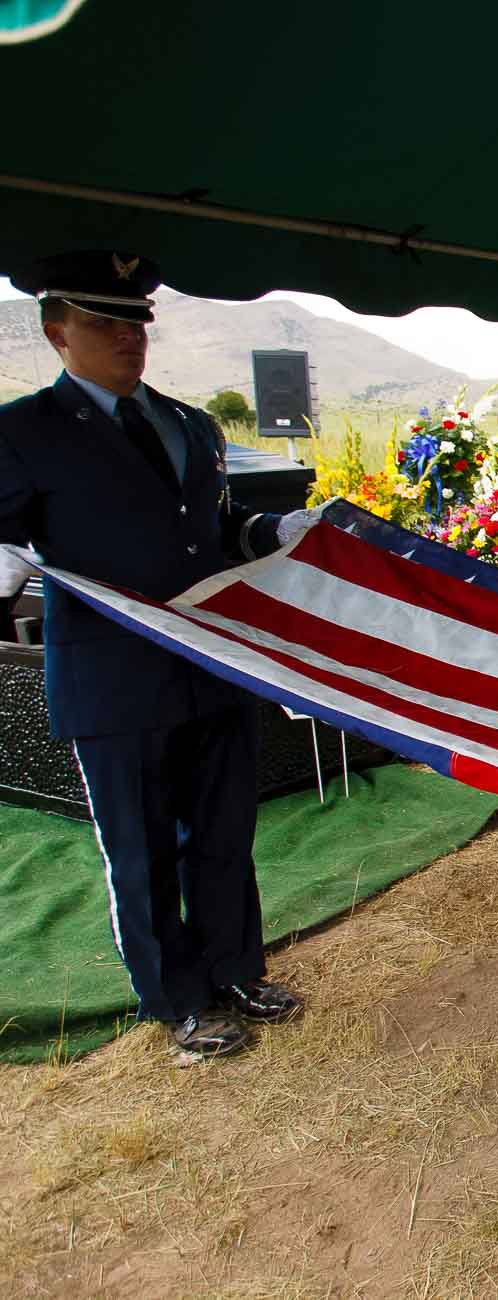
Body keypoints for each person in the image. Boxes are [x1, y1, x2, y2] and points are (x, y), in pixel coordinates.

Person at [0, 251, 310, 1060]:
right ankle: (174, 1000)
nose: (127, 338)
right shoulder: (21, 432)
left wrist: (276, 531)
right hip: (111, 679)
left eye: (136, 320)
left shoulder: (189, 422)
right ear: (56, 331)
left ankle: (236, 970)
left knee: (221, 833)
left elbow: (215, 525)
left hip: (207, 665)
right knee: (138, 848)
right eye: (103, 322)